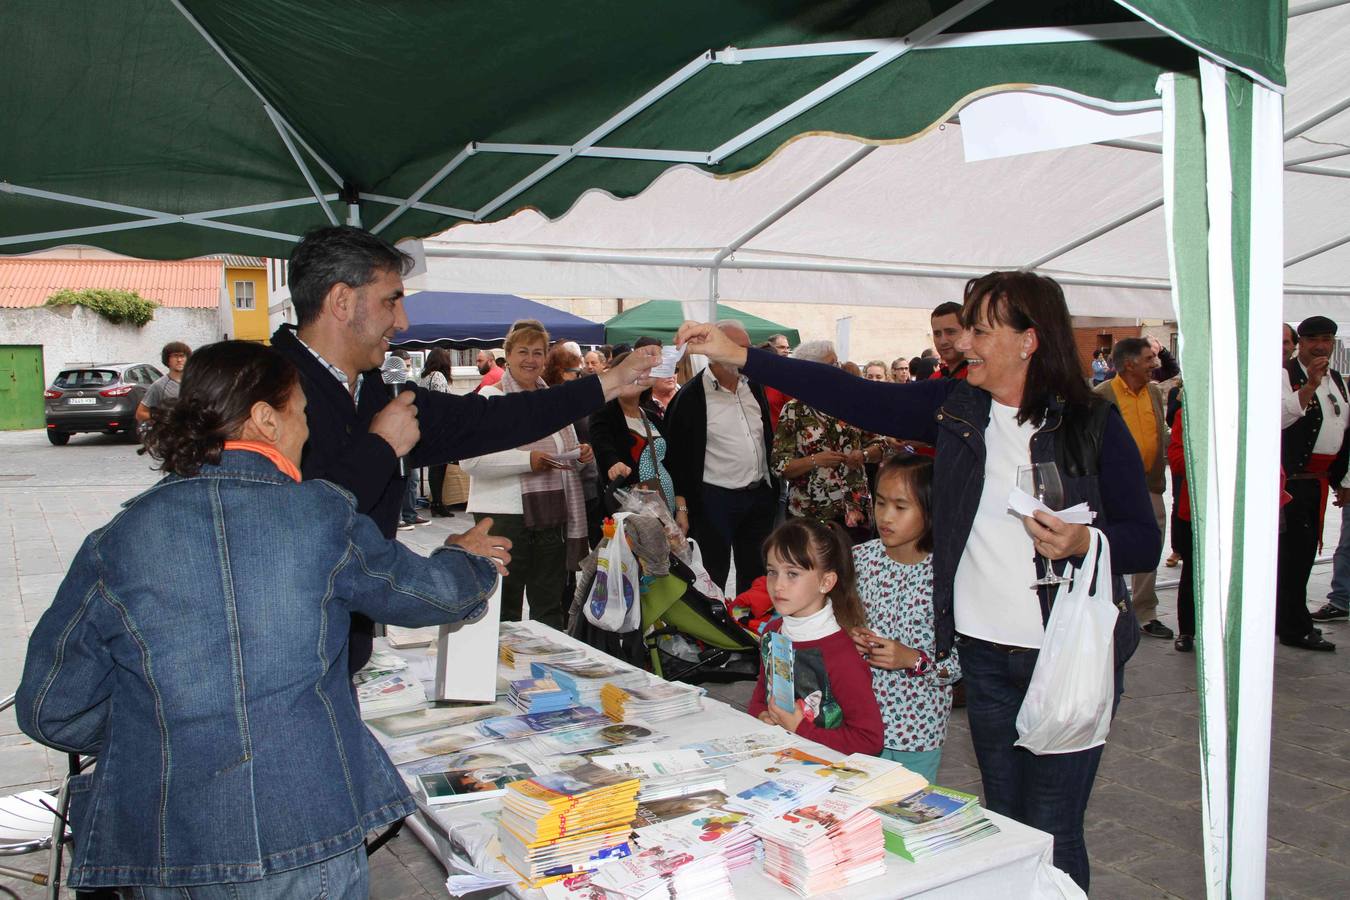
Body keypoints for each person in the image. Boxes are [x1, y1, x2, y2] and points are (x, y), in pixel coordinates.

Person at [678, 270, 1160, 891]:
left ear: (1028, 340)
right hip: (985, 655)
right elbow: (854, 397)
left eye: (981, 330)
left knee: (1055, 824)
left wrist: (1086, 541)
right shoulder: (958, 408)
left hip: (1068, 653)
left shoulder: (1091, 422)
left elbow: (1143, 538)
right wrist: (743, 358)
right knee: (1008, 819)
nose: (964, 343)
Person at [17, 341, 510, 897]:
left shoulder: (117, 542)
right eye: (302, 414)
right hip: (308, 826)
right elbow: (431, 596)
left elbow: (50, 708)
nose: (307, 431)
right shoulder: (320, 515)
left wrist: (162, 725)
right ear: (264, 420)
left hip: (170, 844)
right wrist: (468, 557)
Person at [268, 226, 657, 671]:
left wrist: (605, 383)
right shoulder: (264, 392)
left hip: (345, 651)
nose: (403, 322)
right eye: (391, 300)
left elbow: (494, 420)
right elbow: (291, 533)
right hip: (286, 661)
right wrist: (380, 449)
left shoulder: (379, 391)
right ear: (341, 301)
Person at [461, 321, 595, 629]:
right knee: (502, 608)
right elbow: (470, 462)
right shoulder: (489, 399)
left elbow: (564, 450)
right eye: (523, 351)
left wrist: (579, 455)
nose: (531, 359)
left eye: (538, 352)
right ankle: (500, 672)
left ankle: (545, 668)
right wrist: (528, 461)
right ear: (507, 355)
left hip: (551, 515)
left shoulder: (552, 400)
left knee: (548, 606)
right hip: (503, 517)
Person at [849, 455, 959, 783]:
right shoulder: (859, 560)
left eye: (901, 507)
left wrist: (911, 659)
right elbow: (836, 623)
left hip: (919, 732)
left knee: (907, 815)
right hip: (860, 722)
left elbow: (961, 663)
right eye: (880, 503)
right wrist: (849, 638)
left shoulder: (948, 574)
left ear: (931, 509)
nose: (885, 517)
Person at [746, 518, 884, 755]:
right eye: (772, 572)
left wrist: (799, 728)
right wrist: (763, 715)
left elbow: (870, 740)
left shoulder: (841, 655)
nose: (777, 585)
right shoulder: (773, 632)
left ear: (826, 582)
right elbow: (760, 698)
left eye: (792, 574)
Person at [663, 320, 775, 597]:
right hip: (715, 500)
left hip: (757, 496)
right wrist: (682, 508)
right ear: (714, 350)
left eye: (746, 348)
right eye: (738, 347)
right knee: (712, 575)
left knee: (757, 576)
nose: (744, 354)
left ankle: (750, 630)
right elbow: (677, 457)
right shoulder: (690, 397)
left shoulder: (754, 387)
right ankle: (715, 635)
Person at [1094, 338, 1172, 640]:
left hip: (1150, 485)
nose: (1155, 364)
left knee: (1150, 544)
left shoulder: (1153, 391)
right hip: (1112, 490)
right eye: (1149, 358)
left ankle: (1144, 611)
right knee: (1108, 548)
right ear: (1129, 364)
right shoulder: (1102, 395)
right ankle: (1109, 606)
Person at [1277, 315, 1346, 651]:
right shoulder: (1284, 375)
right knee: (1294, 556)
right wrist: (1308, 387)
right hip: (1291, 481)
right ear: (1300, 343)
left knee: (1302, 555)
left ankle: (1289, 619)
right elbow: (1279, 418)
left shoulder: (1337, 379)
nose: (1321, 346)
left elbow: (1341, 428)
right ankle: (1293, 625)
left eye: (1327, 340)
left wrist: (1343, 479)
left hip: (1319, 480)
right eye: (1314, 339)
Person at [772, 340, 877, 544]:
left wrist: (863, 455)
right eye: (833, 365)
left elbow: (882, 443)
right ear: (813, 371)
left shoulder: (854, 402)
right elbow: (779, 465)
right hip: (810, 513)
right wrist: (815, 460)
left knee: (854, 569)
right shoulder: (794, 411)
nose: (839, 369)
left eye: (837, 363)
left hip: (855, 509)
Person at [589, 352, 687, 532]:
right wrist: (613, 463)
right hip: (631, 512)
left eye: (641, 374)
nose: (635, 378)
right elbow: (602, 444)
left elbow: (673, 464)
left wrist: (681, 509)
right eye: (630, 373)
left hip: (666, 507)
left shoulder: (652, 416)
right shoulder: (603, 414)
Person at [1166, 402, 1196, 652]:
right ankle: (1187, 630)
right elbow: (1176, 460)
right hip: (1193, 509)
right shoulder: (1185, 414)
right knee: (1192, 573)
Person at [420, 348, 455, 517]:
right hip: (439, 427)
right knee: (439, 467)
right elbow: (442, 403)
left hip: (427, 426)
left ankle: (436, 502)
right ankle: (437, 503)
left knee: (435, 466)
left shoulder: (425, 377)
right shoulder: (439, 377)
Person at [135, 341, 191, 424]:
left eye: (182, 356)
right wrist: (161, 416)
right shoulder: (158, 386)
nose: (179, 360)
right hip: (171, 434)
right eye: (175, 356)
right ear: (167, 360)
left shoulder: (197, 382)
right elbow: (140, 414)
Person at [928, 301, 969, 380]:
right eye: (937, 334)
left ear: (967, 332)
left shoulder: (979, 377)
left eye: (950, 332)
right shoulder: (934, 379)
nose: (943, 341)